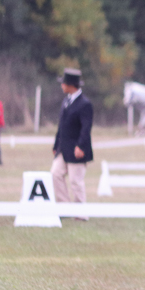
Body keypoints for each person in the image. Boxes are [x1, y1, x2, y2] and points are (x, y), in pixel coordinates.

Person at [51, 68, 93, 216]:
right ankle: (64, 207)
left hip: (77, 148)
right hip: (63, 148)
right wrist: (56, 145)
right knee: (55, 174)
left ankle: (81, 212)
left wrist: (81, 146)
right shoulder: (66, 101)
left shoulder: (85, 104)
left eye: (64, 83)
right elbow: (61, 125)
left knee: (76, 181)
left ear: (71, 85)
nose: (62, 85)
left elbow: (86, 128)